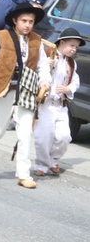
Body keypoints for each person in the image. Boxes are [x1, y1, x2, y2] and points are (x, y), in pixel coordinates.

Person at [0, 3, 51, 189]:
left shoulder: (36, 41)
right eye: (24, 20)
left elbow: (42, 66)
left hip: (25, 89)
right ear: (15, 21)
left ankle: (23, 174)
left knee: (25, 132)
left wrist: (45, 81)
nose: (28, 25)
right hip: (3, 87)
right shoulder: (1, 37)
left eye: (31, 21)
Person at [34, 28, 83, 177]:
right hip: (46, 105)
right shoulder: (48, 56)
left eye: (76, 46)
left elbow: (75, 82)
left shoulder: (72, 64)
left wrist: (68, 88)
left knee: (64, 136)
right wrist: (46, 65)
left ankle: (53, 160)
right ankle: (41, 165)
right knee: (44, 136)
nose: (74, 49)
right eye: (72, 45)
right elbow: (36, 73)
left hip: (61, 105)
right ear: (62, 42)